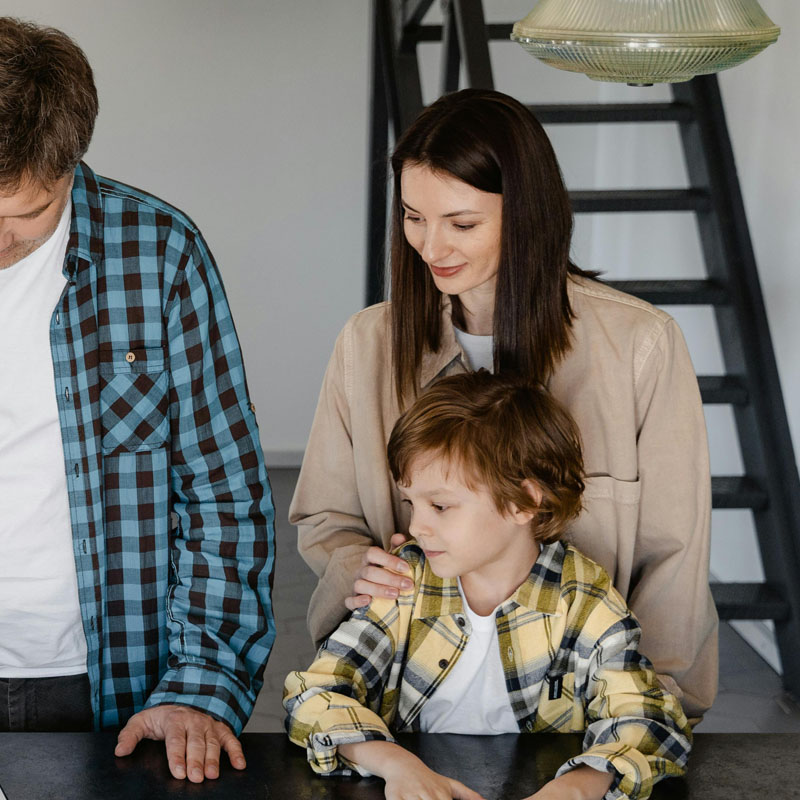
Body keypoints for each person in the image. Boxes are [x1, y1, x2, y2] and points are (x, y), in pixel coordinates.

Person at [290, 87, 717, 722]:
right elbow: (326, 518)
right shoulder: (366, 344)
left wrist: (644, 719)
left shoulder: (640, 346)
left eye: (462, 224)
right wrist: (356, 566)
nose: (431, 247)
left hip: (588, 716)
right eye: (413, 217)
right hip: (409, 707)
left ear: (526, 214)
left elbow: (674, 558)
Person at [0, 17, 274, 783]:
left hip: (109, 684)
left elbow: (224, 494)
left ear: (70, 164)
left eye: (23, 217)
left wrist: (200, 684)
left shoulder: (160, 255)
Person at [285, 371, 692, 800]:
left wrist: (576, 787)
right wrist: (396, 765)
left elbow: (649, 720)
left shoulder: (586, 602)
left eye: (440, 505)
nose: (417, 526)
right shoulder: (401, 583)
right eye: (411, 503)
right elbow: (314, 692)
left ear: (524, 502)